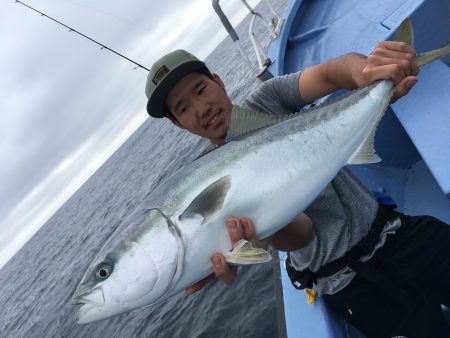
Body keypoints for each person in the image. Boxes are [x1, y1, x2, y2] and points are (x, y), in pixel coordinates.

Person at [144, 45, 450, 337]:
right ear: (177, 123)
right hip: (350, 282)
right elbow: (302, 235)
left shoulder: (267, 100)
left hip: (393, 230)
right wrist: (261, 228)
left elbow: (334, 72)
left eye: (200, 90)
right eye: (183, 108)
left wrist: (370, 73)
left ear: (217, 81)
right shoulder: (209, 185)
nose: (201, 108)